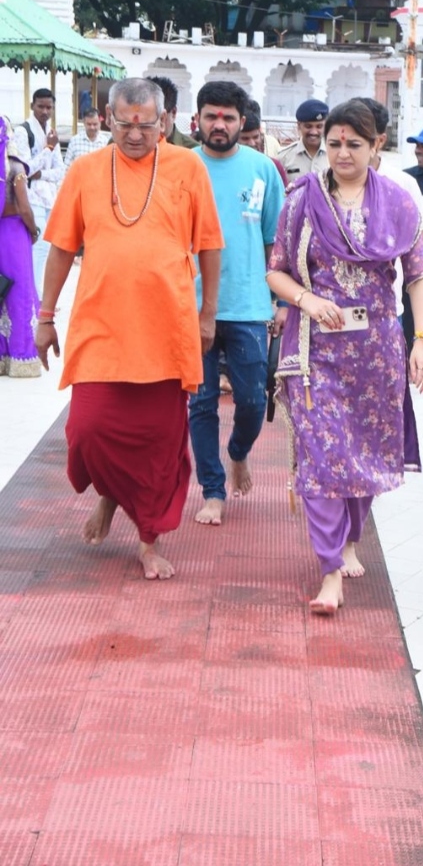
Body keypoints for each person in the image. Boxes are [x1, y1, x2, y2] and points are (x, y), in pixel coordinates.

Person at [35, 78, 223, 580]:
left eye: (146, 125)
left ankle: (148, 539)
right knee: (87, 431)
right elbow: (61, 248)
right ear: (107, 120)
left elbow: (209, 245)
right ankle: (110, 494)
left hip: (166, 327)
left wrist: (208, 315)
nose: (135, 135)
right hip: (101, 323)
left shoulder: (188, 167)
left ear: (164, 122)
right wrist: (45, 317)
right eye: (124, 125)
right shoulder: (86, 170)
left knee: (158, 442)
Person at [266, 100, 423, 615]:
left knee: (362, 456)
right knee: (322, 459)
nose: (342, 153)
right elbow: (276, 270)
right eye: (335, 143)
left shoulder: (398, 202)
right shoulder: (302, 199)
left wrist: (422, 340)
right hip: (315, 352)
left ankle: (349, 540)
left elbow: (419, 275)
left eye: (354, 144)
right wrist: (306, 300)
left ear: (377, 144)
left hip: (376, 353)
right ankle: (329, 571)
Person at [189, 81, 285, 524]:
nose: (219, 124)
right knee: (202, 403)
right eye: (211, 116)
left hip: (249, 305)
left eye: (228, 117)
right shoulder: (182, 166)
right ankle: (212, 490)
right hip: (192, 306)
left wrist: (281, 301)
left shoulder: (263, 169)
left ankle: (238, 451)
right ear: (197, 120)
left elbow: (275, 243)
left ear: (242, 121)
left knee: (251, 401)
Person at [352, 97, 423, 345]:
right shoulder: (321, 186)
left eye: (358, 138)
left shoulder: (402, 185)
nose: (347, 149)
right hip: (334, 313)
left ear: (379, 140)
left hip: (388, 311)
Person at [12, 88, 65, 295]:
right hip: (31, 198)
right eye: (41, 106)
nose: (45, 111)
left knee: (46, 248)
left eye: (49, 107)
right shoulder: (23, 131)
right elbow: (25, 169)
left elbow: (59, 171)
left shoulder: (51, 132)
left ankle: (37, 294)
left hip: (49, 198)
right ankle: (34, 296)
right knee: (38, 247)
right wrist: (48, 150)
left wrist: (41, 173)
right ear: (32, 105)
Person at [0, 118, 41, 377]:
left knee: (1, 290)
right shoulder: (16, 166)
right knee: (20, 291)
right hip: (14, 234)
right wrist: (34, 231)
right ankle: (21, 357)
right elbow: (24, 208)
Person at [276, 99, 328, 178]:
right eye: (308, 126)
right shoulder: (284, 158)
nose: (314, 132)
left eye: (319, 127)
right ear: (299, 126)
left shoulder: (335, 155)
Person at [239, 108, 289, 188]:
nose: (252, 143)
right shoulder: (226, 165)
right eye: (245, 139)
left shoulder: (273, 166)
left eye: (255, 137)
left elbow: (283, 194)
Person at [149, 75, 198, 148]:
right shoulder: (133, 149)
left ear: (173, 113)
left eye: (160, 118)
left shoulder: (193, 150)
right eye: (144, 119)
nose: (151, 125)